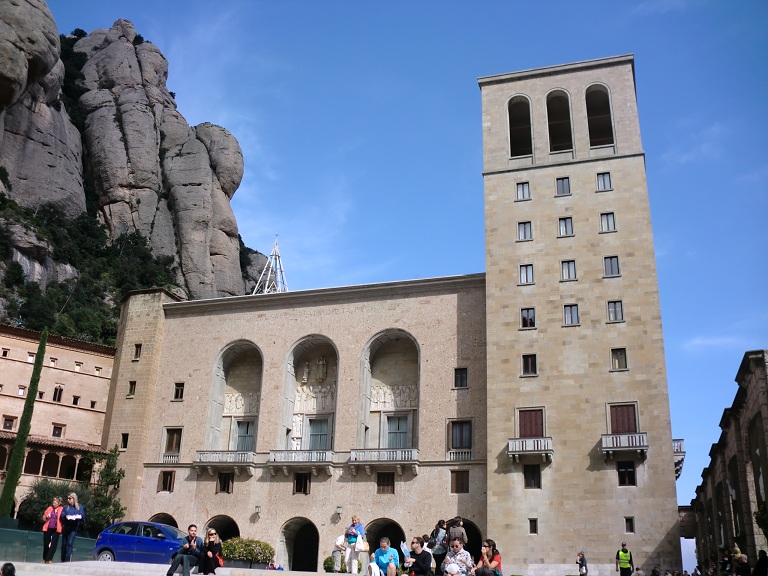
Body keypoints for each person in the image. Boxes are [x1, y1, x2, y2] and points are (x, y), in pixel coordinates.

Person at [60, 492, 85, 562]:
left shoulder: (79, 507)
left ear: (74, 499)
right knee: (64, 544)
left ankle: (68, 558)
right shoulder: (65, 507)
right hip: (66, 526)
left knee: (70, 542)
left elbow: (82, 516)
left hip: (73, 527)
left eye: (70, 498)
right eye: (67, 498)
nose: (68, 500)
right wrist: (65, 516)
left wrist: (78, 517)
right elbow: (62, 516)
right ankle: (63, 558)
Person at [41, 496, 63, 564]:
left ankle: (49, 559)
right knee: (46, 544)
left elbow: (63, 517)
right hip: (48, 528)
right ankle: (44, 558)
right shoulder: (50, 508)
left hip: (56, 529)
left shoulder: (62, 509)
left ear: (59, 503)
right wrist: (46, 517)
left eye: (56, 502)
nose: (54, 503)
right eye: (53, 502)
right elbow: (43, 518)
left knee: (53, 545)